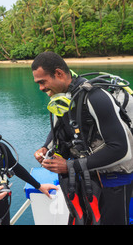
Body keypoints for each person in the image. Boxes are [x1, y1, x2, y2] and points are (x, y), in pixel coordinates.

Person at [31, 51, 133, 225]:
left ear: (59, 74)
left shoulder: (96, 98)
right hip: (89, 177)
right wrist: (45, 148)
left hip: (115, 179)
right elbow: (59, 129)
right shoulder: (64, 99)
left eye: (42, 82)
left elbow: (121, 150)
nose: (41, 88)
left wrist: (69, 165)